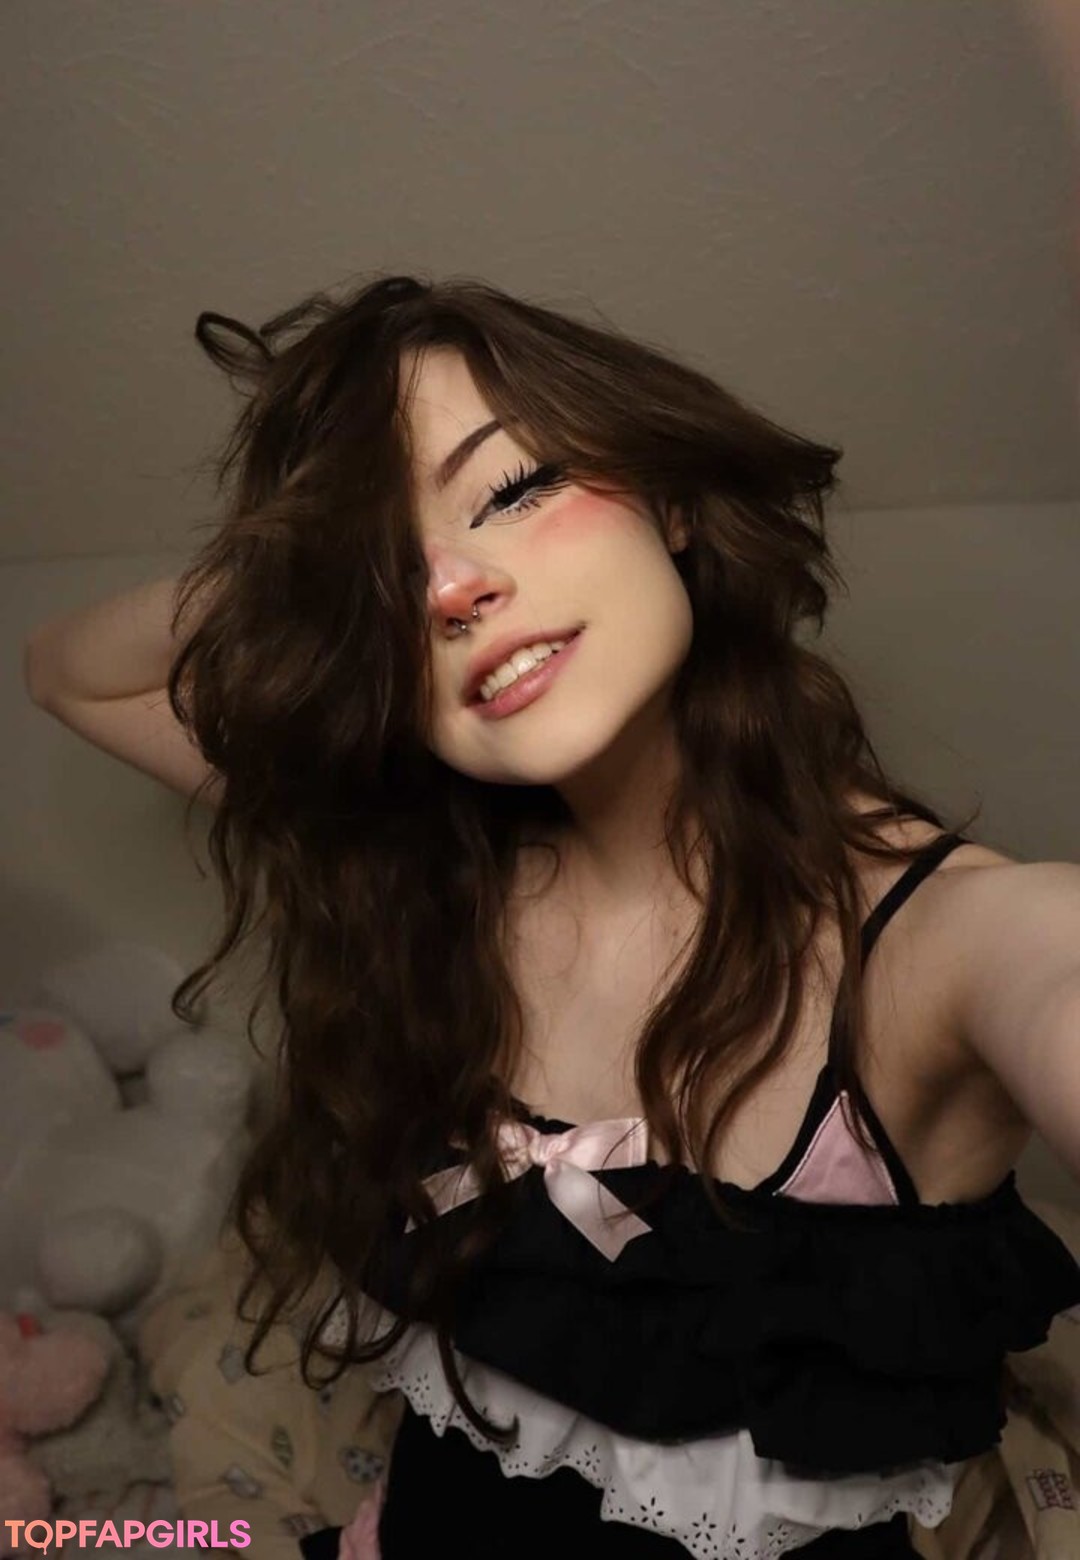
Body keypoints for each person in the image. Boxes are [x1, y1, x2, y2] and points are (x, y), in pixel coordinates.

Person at [23, 274, 1080, 1558]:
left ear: (671, 499)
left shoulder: (945, 941)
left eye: (515, 489)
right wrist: (313, 577)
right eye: (389, 573)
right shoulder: (437, 871)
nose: (451, 587)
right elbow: (71, 673)